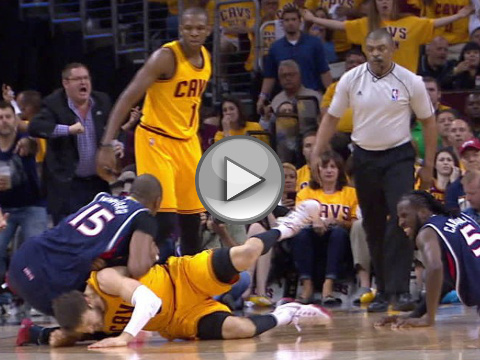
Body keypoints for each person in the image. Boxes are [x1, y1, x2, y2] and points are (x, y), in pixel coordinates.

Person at [48, 200, 331, 348]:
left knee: (244, 256)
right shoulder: (81, 319)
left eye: (90, 325)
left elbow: (149, 302)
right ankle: (288, 313)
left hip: (181, 276)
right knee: (241, 330)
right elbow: (62, 333)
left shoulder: (104, 281)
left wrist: (124, 338)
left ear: (87, 303)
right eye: (88, 331)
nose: (95, 330)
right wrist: (54, 337)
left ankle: (287, 226)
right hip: (178, 319)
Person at [310, 29, 437, 312]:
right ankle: (382, 292)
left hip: (399, 156)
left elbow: (429, 122)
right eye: (371, 49)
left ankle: (401, 289)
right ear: (366, 51)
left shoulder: (410, 81)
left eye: (382, 48)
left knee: (403, 217)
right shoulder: (350, 79)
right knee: (373, 224)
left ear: (392, 48)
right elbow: (331, 118)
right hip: (364, 157)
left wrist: (428, 165)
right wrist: (317, 151)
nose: (377, 53)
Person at [96, 7, 211, 256]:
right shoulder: (166, 57)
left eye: (199, 28)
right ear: (180, 29)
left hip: (187, 142)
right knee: (164, 219)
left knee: (193, 222)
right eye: (188, 28)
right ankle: (137, 269)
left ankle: (190, 282)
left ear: (208, 31)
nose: (194, 33)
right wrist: (107, 142)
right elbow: (127, 97)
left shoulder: (206, 58)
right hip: (155, 139)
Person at [7, 174, 162, 317]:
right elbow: (137, 268)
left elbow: (77, 236)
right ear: (158, 202)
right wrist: (151, 255)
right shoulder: (143, 217)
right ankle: (38, 333)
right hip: (48, 284)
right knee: (100, 324)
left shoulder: (102, 198)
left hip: (22, 259)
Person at [28, 63, 121, 225]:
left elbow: (114, 129)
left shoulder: (102, 101)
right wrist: (68, 130)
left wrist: (117, 145)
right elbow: (35, 127)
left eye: (86, 78)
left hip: (98, 182)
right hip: (69, 184)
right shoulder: (53, 104)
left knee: (100, 235)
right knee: (69, 236)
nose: (83, 83)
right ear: (66, 83)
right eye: (77, 79)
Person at [376, 190, 480, 328]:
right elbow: (445, 282)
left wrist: (429, 319)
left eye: (405, 215)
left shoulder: (427, 232)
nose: (400, 222)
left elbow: (435, 268)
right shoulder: (458, 218)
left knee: (430, 273)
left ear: (423, 212)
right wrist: (415, 314)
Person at [302, 0, 473, 73]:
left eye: (388, 0)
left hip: (405, 79)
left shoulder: (411, 22)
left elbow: (434, 23)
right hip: (378, 79)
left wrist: (459, 16)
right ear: (375, 4)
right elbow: (340, 26)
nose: (384, 2)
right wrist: (313, 19)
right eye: (380, 0)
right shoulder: (366, 24)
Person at [292, 151, 357, 305]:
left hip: (340, 237)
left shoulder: (351, 193)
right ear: (317, 171)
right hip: (310, 234)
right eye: (324, 167)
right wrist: (316, 221)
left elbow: (355, 222)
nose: (329, 170)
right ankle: (307, 287)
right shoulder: (305, 192)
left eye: (333, 167)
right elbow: (298, 219)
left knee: (338, 233)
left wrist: (337, 221)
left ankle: (328, 287)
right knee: (301, 234)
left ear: (339, 171)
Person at [0, 101, 47, 286]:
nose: (4, 121)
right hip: (3, 208)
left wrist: (30, 142)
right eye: (0, 118)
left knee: (35, 251)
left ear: (16, 119)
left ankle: (33, 301)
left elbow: (35, 143)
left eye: (8, 117)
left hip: (32, 205)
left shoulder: (28, 140)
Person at [257, 6, 332, 115]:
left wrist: (331, 95)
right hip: (285, 98)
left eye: (293, 19)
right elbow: (270, 76)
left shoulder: (314, 43)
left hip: (311, 95)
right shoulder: (275, 47)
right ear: (282, 24)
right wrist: (262, 97)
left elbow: (324, 71)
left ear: (300, 22)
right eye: (286, 20)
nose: (290, 23)